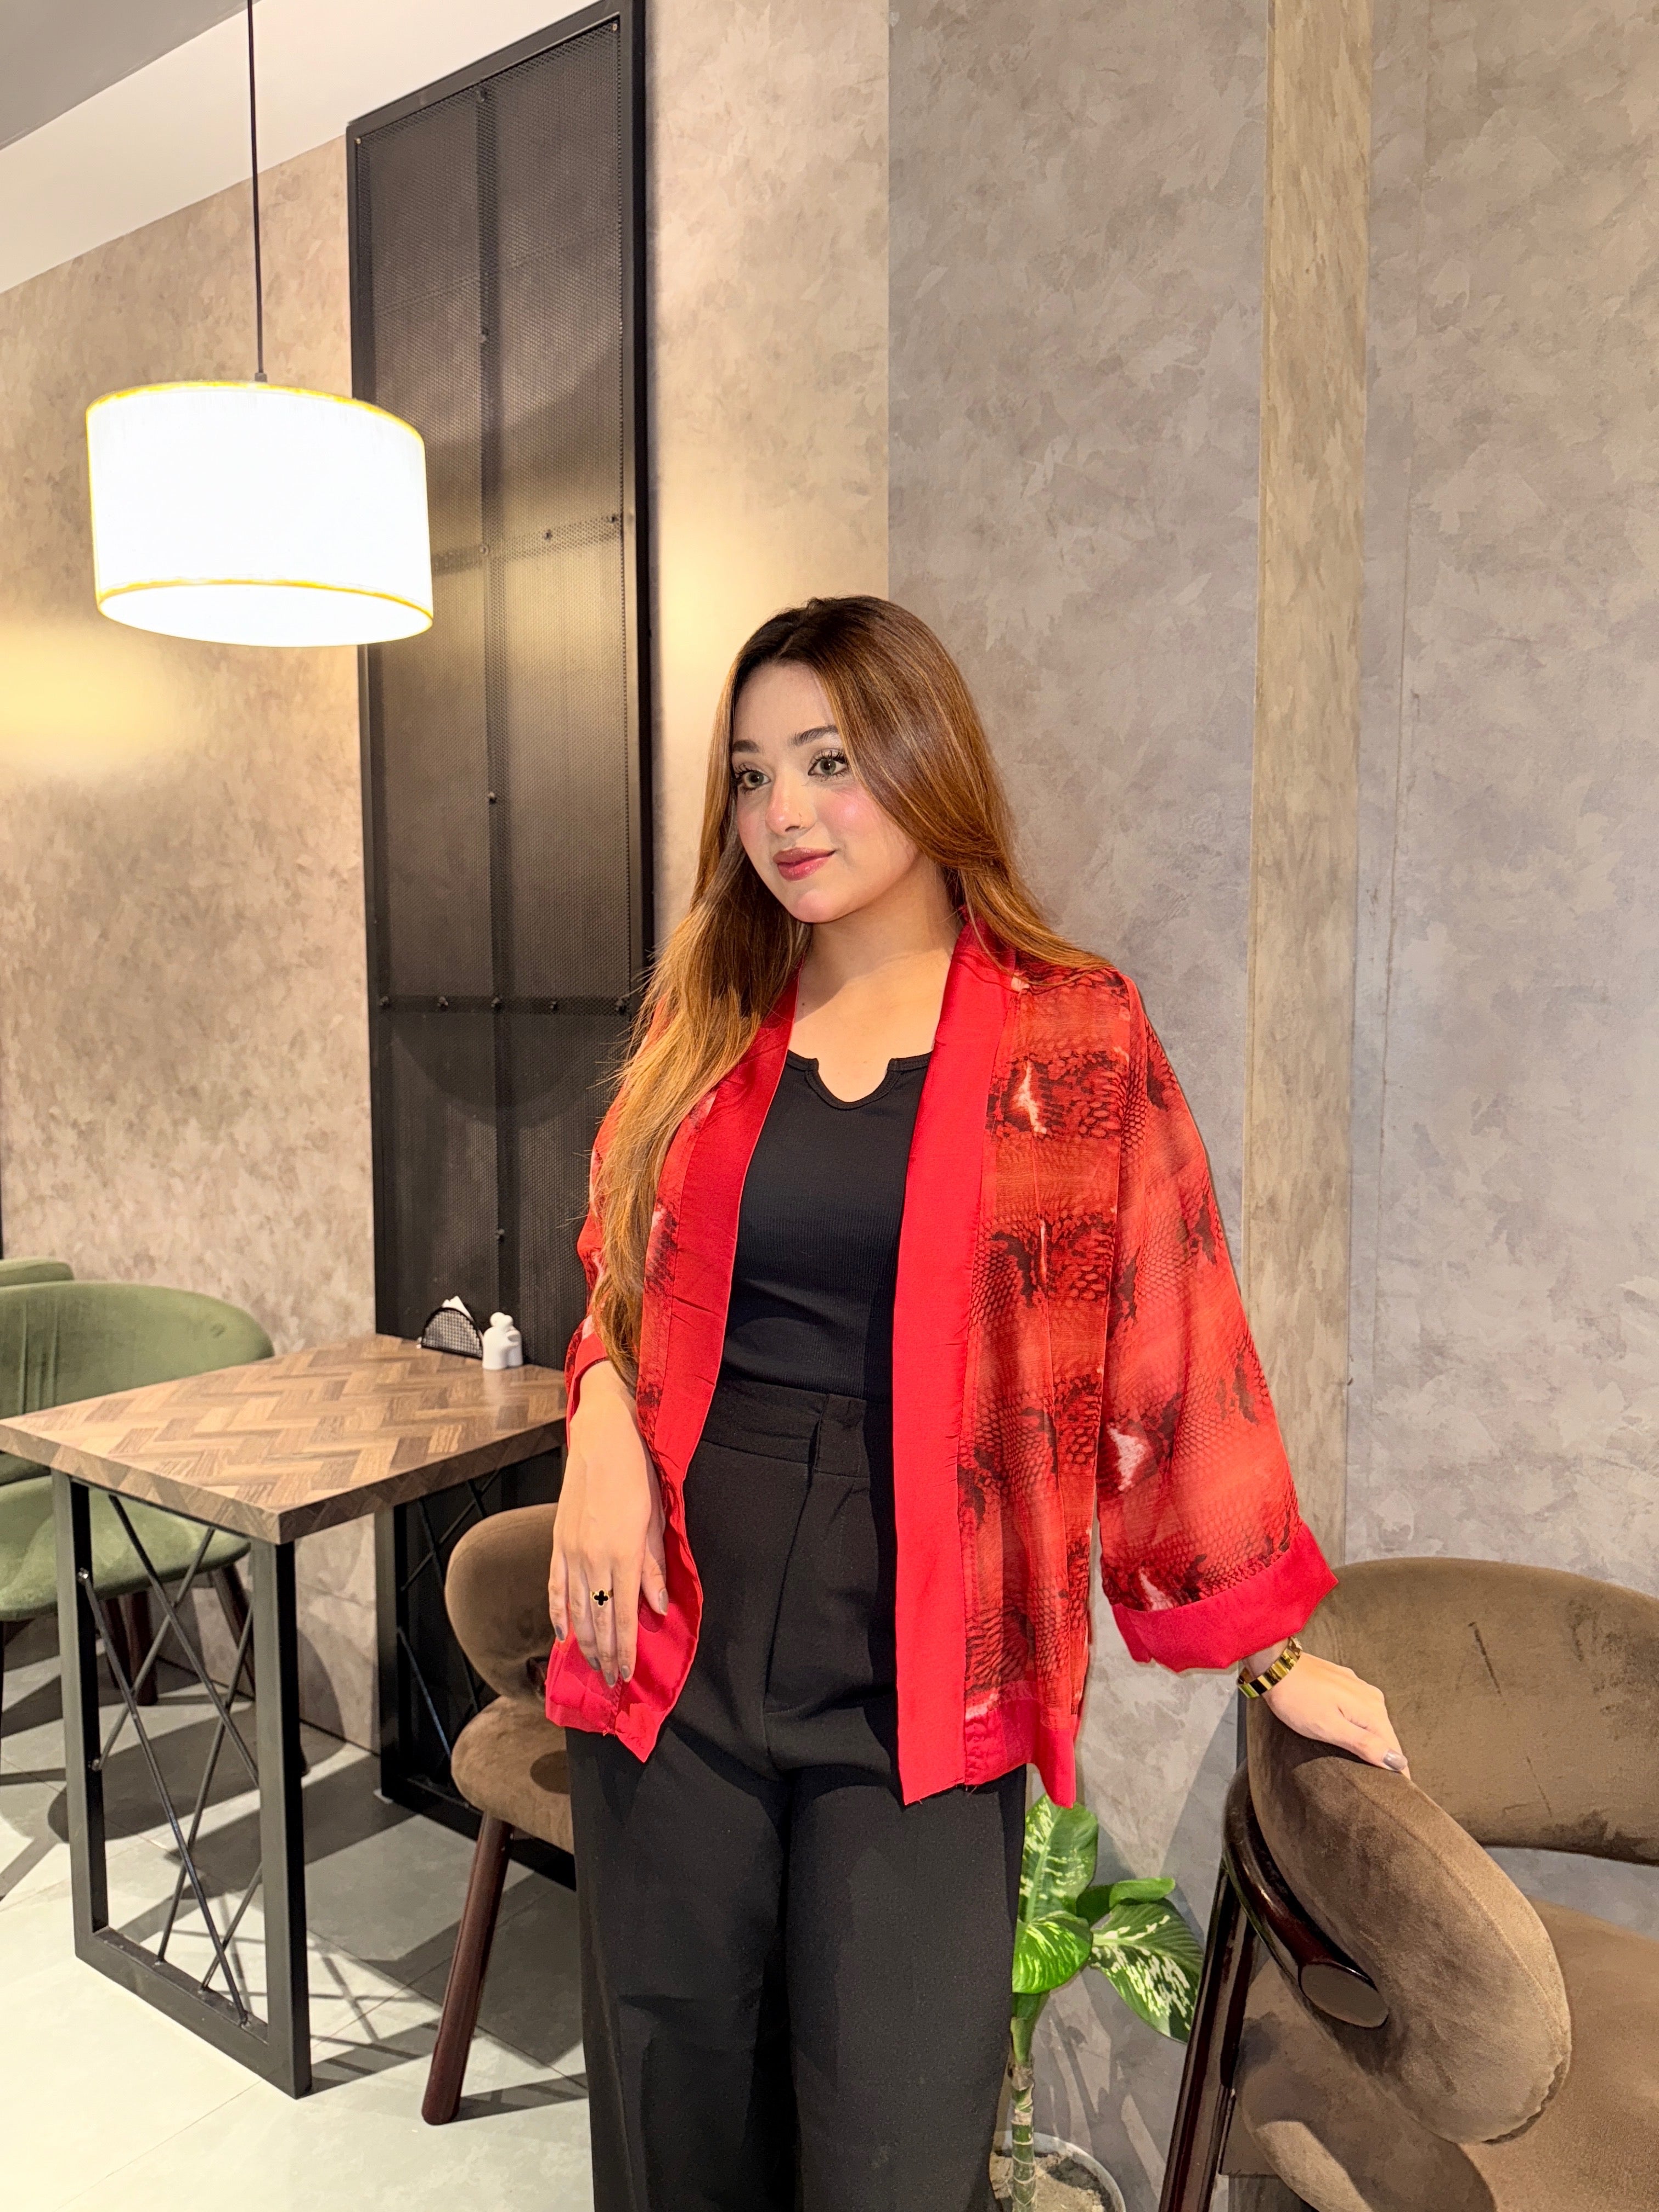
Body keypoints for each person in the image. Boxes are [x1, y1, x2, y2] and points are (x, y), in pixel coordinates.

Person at [545, 596, 1406, 2212]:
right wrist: (597, 1419)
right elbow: (615, 1258)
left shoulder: (1072, 1038)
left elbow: (1170, 1336)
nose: (782, 814)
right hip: (672, 1635)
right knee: (672, 2123)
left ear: (927, 764)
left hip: (922, 1667)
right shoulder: (707, 1016)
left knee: (891, 2144)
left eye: (829, 761)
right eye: (748, 776)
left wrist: (1272, 1652)